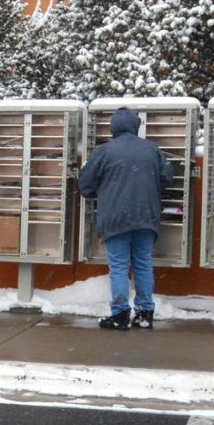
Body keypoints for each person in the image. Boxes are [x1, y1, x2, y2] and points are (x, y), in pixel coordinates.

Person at [79, 106, 173, 331]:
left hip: (115, 218)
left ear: (113, 127)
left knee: (119, 267)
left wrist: (105, 190)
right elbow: (167, 177)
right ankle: (144, 313)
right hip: (146, 216)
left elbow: (86, 185)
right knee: (143, 264)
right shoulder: (152, 149)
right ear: (135, 127)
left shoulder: (103, 152)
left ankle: (120, 314)